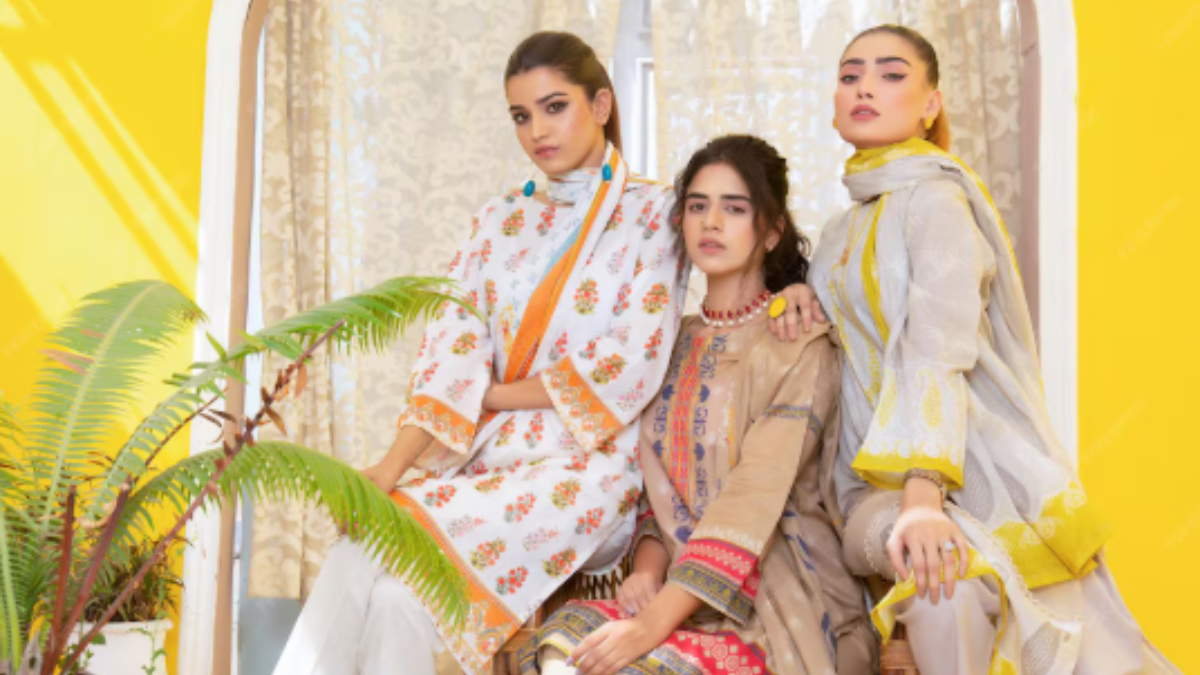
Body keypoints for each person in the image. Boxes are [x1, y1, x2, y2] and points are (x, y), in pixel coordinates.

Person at [272, 32, 820, 675]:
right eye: (520, 115)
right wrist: (392, 466)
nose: (537, 131)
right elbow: (453, 342)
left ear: (602, 104)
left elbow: (630, 360)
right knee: (397, 598)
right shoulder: (496, 220)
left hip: (589, 469)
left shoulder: (657, 214)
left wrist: (796, 290)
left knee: (369, 540)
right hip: (485, 460)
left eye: (555, 107)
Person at [810, 24, 1180, 675]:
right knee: (931, 572)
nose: (865, 87)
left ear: (930, 105)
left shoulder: (940, 202)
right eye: (850, 76)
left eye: (891, 75)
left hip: (969, 474)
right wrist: (796, 298)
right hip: (863, 488)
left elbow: (937, 348)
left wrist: (923, 497)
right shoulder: (838, 230)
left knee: (943, 584)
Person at [519, 135, 877, 675]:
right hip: (672, 597)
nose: (711, 222)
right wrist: (646, 571)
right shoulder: (664, 344)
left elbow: (751, 499)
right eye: (697, 206)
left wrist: (649, 626)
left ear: (772, 231)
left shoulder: (798, 345)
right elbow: (655, 493)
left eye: (734, 209)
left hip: (778, 600)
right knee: (564, 648)